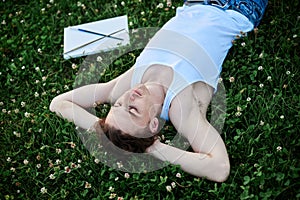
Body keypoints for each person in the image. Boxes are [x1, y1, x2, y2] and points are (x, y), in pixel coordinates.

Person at [50, 0, 268, 182]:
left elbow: (58, 103)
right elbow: (219, 168)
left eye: (118, 106)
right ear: (153, 124)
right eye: (133, 110)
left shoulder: (123, 88)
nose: (129, 97)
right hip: (238, 8)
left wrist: (103, 130)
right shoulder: (181, 106)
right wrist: (152, 149)